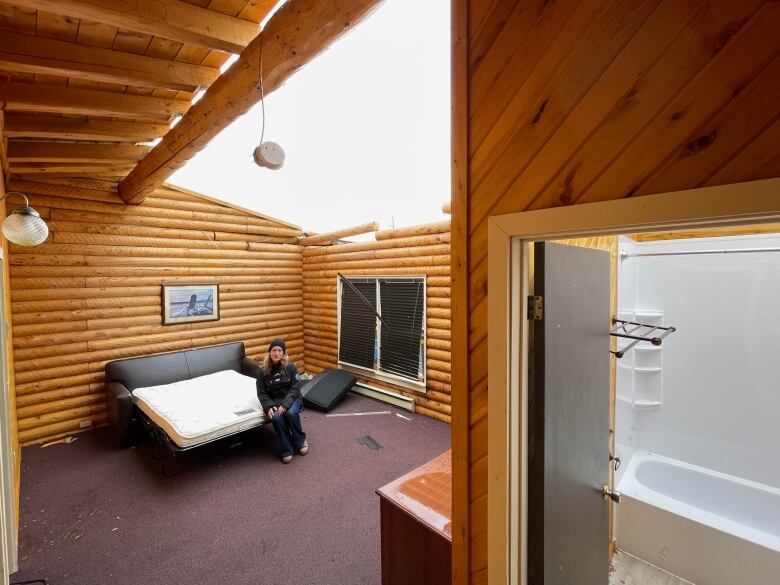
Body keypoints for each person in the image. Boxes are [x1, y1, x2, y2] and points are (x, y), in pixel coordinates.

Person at [256, 338, 308, 463]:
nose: (277, 353)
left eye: (280, 351)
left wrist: (285, 405)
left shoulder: (290, 367)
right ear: (270, 352)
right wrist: (268, 406)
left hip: (293, 398)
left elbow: (295, 388)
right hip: (275, 401)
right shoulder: (263, 371)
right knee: (276, 418)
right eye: (274, 350)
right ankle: (287, 449)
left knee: (290, 414)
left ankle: (300, 441)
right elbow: (261, 393)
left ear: (283, 353)